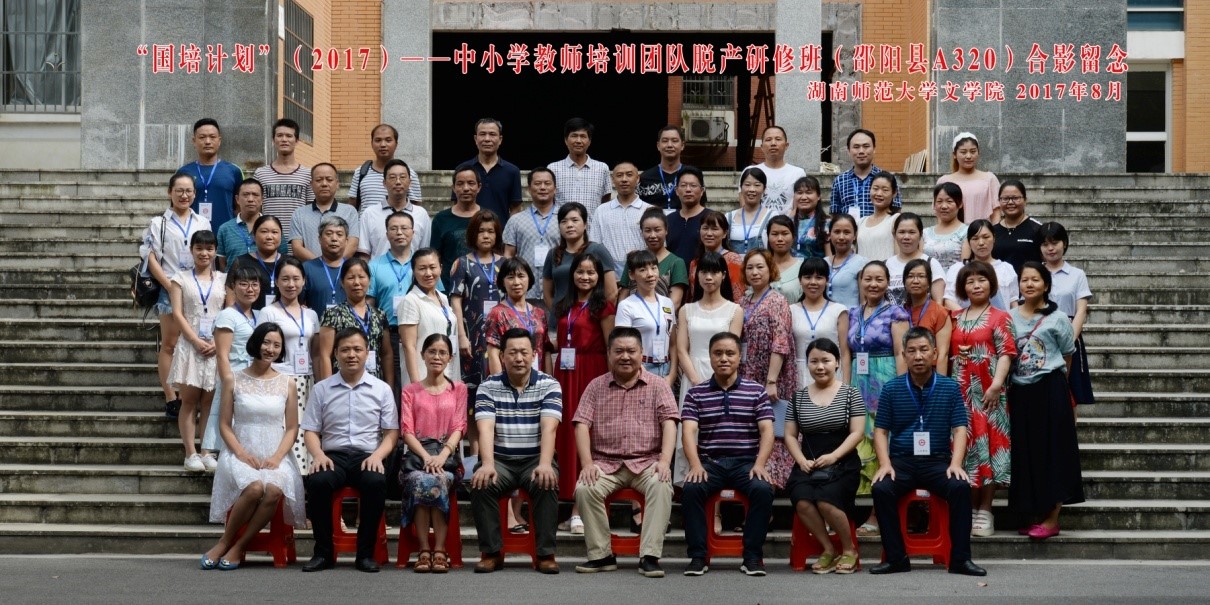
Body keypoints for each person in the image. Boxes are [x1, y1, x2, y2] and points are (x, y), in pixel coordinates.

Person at [868, 327, 986, 577]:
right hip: (902, 462)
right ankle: (896, 558)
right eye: (912, 351)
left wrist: (956, 464)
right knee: (881, 489)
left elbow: (960, 429)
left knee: (960, 487)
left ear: (934, 353)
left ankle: (960, 560)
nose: (918, 356)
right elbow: (880, 431)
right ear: (904, 355)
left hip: (937, 462)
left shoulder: (949, 387)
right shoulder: (891, 389)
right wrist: (885, 464)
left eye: (923, 350)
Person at [573, 327, 680, 578]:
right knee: (585, 489)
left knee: (662, 485)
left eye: (631, 351)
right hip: (605, 463)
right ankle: (601, 555)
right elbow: (581, 424)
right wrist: (587, 464)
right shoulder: (596, 386)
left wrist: (665, 461)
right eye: (618, 351)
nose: (625, 356)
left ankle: (650, 556)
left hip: (647, 462)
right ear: (609, 354)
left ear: (642, 353)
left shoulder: (658, 385)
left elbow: (670, 423)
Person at [202, 322, 304, 570]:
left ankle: (239, 546)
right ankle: (224, 542)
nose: (270, 349)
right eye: (266, 342)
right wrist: (241, 453)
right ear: (256, 342)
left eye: (277, 345)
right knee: (255, 487)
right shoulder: (232, 379)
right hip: (239, 452)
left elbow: (292, 427)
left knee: (273, 489)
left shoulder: (288, 383)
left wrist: (277, 457)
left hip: (275, 454)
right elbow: (224, 424)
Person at [301, 328, 399, 573]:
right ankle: (323, 553)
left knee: (375, 482)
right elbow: (310, 431)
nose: (351, 355)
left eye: (357, 349)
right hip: (332, 456)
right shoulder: (322, 389)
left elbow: (391, 433)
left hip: (367, 456)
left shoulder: (381, 389)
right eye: (345, 350)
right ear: (335, 354)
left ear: (367, 353)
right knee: (318, 482)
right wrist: (318, 455)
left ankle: (365, 554)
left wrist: (378, 456)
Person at [680, 332, 776, 577]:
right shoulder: (696, 393)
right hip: (711, 464)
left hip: (746, 464)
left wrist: (760, 464)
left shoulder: (756, 391)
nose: (724, 358)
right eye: (718, 353)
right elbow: (688, 432)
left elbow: (767, 431)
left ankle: (752, 557)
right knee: (690, 489)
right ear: (710, 357)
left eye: (730, 353)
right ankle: (698, 556)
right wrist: (695, 465)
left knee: (763, 489)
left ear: (739, 357)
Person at [470, 328, 563, 574]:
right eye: (512, 353)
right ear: (502, 356)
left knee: (547, 480)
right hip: (500, 460)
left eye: (524, 352)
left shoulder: (549, 384)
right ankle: (491, 553)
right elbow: (486, 429)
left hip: (535, 458)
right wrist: (487, 464)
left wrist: (545, 464)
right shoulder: (488, 386)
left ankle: (545, 554)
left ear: (534, 354)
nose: (519, 358)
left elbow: (550, 428)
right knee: (482, 482)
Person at [1009, 262, 1084, 540]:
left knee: (1054, 451)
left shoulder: (1058, 318)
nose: (1029, 284)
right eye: (1024, 280)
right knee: (1027, 452)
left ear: (1046, 285)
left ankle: (1052, 519)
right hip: (1020, 391)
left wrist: (1060, 388)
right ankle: (1033, 513)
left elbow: (1067, 355)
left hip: (1051, 389)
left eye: (1035, 280)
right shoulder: (1009, 317)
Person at [783, 338, 865, 575]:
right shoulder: (798, 397)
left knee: (825, 499)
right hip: (808, 463)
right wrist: (801, 460)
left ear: (837, 362)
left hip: (843, 462)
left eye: (826, 361)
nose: (820, 366)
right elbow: (790, 435)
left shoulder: (850, 393)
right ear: (807, 364)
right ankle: (828, 549)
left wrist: (834, 456)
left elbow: (857, 433)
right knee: (802, 499)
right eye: (814, 361)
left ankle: (849, 550)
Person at [839, 260, 908, 534]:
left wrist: (901, 388)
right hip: (859, 381)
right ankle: (854, 511)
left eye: (879, 279)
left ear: (887, 282)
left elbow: (901, 352)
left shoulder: (896, 313)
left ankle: (878, 514)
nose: (873, 284)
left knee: (883, 442)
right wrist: (845, 388)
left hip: (886, 379)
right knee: (859, 443)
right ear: (860, 282)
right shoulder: (852, 313)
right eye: (868, 279)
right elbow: (846, 354)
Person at [949, 260, 1017, 537]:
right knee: (965, 448)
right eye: (970, 281)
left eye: (981, 280)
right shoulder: (954, 317)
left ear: (991, 284)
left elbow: (1006, 352)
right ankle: (968, 507)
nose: (976, 286)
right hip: (960, 392)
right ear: (962, 287)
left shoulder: (1001, 317)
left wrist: (997, 385)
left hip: (989, 392)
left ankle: (986, 509)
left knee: (989, 445)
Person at [552, 252, 617, 531]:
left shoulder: (604, 307)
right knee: (565, 435)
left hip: (592, 372)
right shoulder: (564, 304)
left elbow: (611, 347)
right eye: (580, 271)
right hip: (565, 374)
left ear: (599, 276)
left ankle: (582, 508)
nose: (585, 277)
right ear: (572, 274)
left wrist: (610, 384)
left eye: (591, 272)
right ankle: (569, 501)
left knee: (587, 435)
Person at [141, 173, 212, 417]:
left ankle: (190, 395)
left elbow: (208, 253)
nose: (184, 195)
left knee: (194, 343)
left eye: (188, 191)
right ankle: (171, 397)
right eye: (179, 190)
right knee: (170, 344)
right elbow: (150, 257)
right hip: (169, 287)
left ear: (194, 194)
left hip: (197, 289)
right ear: (169, 192)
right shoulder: (158, 223)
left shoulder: (202, 222)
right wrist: (169, 286)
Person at [399, 333, 467, 573]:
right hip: (417, 460)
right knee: (421, 480)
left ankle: (439, 549)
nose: (437, 357)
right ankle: (424, 549)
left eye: (442, 353)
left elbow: (459, 426)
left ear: (450, 358)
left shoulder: (458, 389)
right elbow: (406, 430)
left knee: (436, 479)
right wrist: (427, 458)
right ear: (423, 355)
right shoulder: (410, 391)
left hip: (447, 460)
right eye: (432, 352)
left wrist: (442, 456)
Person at [737, 249, 796, 490]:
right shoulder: (742, 302)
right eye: (750, 267)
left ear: (770, 270)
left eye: (760, 267)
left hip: (772, 376)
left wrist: (771, 381)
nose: (755, 272)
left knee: (773, 428)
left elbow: (781, 342)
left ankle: (769, 489)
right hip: (746, 374)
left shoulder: (777, 300)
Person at [169, 229, 225, 473]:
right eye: (199, 248)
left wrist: (217, 342)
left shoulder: (223, 279)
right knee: (189, 401)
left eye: (209, 248)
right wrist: (194, 340)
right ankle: (190, 453)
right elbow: (177, 313)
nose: (204, 253)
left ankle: (207, 451)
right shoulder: (179, 278)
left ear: (215, 251)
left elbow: (229, 312)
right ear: (191, 250)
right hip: (190, 345)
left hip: (216, 346)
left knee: (211, 402)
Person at [260, 257, 320, 473]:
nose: (291, 284)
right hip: (280, 378)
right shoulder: (269, 312)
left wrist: (320, 383)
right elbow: (262, 350)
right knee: (284, 430)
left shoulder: (311, 314)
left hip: (307, 380)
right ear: (276, 282)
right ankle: (283, 475)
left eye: (296, 278)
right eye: (285, 279)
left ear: (304, 281)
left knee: (306, 431)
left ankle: (304, 477)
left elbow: (316, 352)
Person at [202, 265, 263, 458]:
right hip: (235, 375)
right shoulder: (227, 315)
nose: (250, 289)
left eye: (254, 284)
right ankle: (215, 456)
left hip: (254, 376)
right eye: (243, 284)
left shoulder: (259, 314)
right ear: (233, 287)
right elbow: (222, 355)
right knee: (228, 422)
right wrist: (229, 384)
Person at [315, 258, 395, 394]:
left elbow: (386, 354)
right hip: (342, 386)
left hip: (375, 386)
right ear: (342, 282)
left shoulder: (380, 315)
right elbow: (325, 355)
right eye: (351, 278)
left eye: (361, 277)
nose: (356, 282)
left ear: (369, 281)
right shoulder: (333, 314)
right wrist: (328, 391)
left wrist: (390, 388)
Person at [1039, 222, 1095, 405]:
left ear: (1064, 243)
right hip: (1040, 337)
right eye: (1045, 244)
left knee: (1070, 395)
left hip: (1070, 333)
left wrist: (1069, 340)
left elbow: (1081, 310)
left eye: (1054, 243)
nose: (1050, 248)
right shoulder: (1035, 273)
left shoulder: (1077, 274)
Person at [450, 210, 505, 394]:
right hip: (471, 335)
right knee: (472, 388)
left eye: (491, 231)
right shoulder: (462, 263)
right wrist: (461, 336)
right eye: (481, 231)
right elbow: (456, 301)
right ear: (473, 234)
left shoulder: (505, 264)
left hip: (500, 333)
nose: (486, 235)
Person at [366, 211, 418, 402]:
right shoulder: (374, 266)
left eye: (404, 228)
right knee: (392, 384)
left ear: (413, 232)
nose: (399, 233)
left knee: (417, 381)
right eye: (394, 229)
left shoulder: (422, 263)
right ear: (387, 234)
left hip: (418, 333)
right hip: (389, 333)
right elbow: (369, 303)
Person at [542, 202, 619, 323]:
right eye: (564, 221)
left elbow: (612, 293)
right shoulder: (553, 253)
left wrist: (597, 317)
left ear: (585, 224)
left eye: (575, 220)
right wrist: (559, 316)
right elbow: (547, 294)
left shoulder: (597, 250)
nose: (569, 225)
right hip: (559, 322)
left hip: (589, 323)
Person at [399, 248, 461, 386]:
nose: (428, 273)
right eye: (422, 268)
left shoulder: (443, 298)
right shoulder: (410, 301)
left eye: (432, 267)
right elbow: (409, 346)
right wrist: (416, 386)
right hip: (423, 378)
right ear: (414, 271)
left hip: (449, 374)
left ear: (441, 268)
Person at [615, 250, 678, 385]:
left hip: (665, 368)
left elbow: (673, 343)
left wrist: (672, 374)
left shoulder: (667, 303)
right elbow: (623, 345)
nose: (650, 274)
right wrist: (642, 372)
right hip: (640, 369)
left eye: (654, 268)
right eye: (643, 270)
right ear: (632, 275)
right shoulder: (626, 306)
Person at [253, 118, 314, 250]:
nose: (284, 139)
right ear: (273, 140)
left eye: (289, 136)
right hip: (268, 244)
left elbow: (311, 212)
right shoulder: (261, 174)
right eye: (280, 135)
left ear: (297, 141)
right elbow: (256, 210)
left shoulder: (308, 174)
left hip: (298, 246)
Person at [503, 167, 561, 306]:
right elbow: (508, 254)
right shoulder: (516, 220)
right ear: (529, 189)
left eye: (547, 183)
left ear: (555, 189)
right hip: (524, 293)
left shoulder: (565, 219)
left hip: (557, 293)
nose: (542, 187)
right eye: (537, 183)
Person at [483, 257, 548, 378]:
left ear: (529, 279)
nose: (516, 282)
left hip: (537, 380)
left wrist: (549, 381)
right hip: (509, 380)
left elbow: (546, 351)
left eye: (521, 276)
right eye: (510, 277)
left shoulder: (540, 313)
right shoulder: (497, 313)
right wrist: (499, 386)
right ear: (503, 281)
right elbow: (493, 354)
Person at [358, 158, 431, 258]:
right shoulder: (369, 213)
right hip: (378, 268)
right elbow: (364, 254)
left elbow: (424, 253)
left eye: (402, 177)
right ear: (384, 183)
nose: (398, 182)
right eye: (392, 177)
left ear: (410, 182)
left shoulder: (421, 214)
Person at [618, 208, 689, 310]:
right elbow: (623, 294)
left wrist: (653, 316)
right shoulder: (633, 259)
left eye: (657, 230)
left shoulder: (676, 262)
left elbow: (675, 302)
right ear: (641, 232)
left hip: (663, 317)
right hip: (632, 316)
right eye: (647, 230)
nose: (652, 235)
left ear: (666, 230)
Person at [453, 117, 522, 220]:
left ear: (500, 139)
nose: (487, 139)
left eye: (492, 134)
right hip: (468, 229)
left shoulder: (512, 171)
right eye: (482, 134)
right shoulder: (462, 169)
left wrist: (510, 229)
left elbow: (515, 208)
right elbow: (457, 204)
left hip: (501, 229)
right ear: (476, 139)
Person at [792, 258, 849, 382]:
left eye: (819, 278)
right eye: (807, 277)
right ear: (800, 280)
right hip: (799, 376)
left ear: (827, 280)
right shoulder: (790, 311)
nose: (813, 282)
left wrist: (845, 385)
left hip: (831, 375)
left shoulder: (839, 310)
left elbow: (845, 353)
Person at [181, 118, 244, 228]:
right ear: (194, 141)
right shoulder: (183, 172)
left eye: (212, 137)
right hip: (192, 233)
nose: (207, 141)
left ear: (219, 141)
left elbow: (240, 206)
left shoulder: (234, 171)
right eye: (202, 137)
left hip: (225, 233)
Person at [943, 220, 1019, 311]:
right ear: (969, 242)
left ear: (994, 238)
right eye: (975, 239)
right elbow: (949, 300)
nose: (981, 243)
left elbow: (1013, 303)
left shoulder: (1006, 268)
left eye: (986, 237)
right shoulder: (957, 269)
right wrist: (967, 318)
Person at [590, 161, 651, 275]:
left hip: (643, 271)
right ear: (612, 180)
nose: (624, 179)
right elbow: (594, 246)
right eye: (619, 175)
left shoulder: (649, 210)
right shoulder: (601, 211)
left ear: (637, 179)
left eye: (629, 175)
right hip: (609, 272)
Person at [347, 123, 424, 214]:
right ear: (372, 144)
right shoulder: (361, 172)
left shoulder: (408, 174)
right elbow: (352, 207)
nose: (383, 144)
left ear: (396, 144)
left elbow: (416, 208)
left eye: (388, 140)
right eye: (378, 140)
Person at [289, 163, 360, 261]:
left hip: (341, 268)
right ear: (311, 184)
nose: (324, 184)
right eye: (319, 180)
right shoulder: (299, 214)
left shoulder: (350, 212)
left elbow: (353, 244)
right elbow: (297, 248)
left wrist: (335, 265)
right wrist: (319, 266)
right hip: (309, 268)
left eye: (329, 179)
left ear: (337, 183)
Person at [829, 128, 901, 217]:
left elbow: (896, 211)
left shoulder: (887, 179)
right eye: (856, 147)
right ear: (848, 151)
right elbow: (835, 214)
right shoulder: (840, 181)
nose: (861, 151)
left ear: (874, 149)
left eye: (866, 146)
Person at [432, 168, 482, 291]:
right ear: (453, 188)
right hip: (449, 286)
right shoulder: (441, 219)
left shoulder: (487, 217)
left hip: (482, 285)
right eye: (460, 184)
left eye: (471, 183)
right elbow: (435, 256)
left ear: (479, 187)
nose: (466, 188)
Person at [548, 117, 612, 213]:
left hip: (593, 223)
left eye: (583, 136)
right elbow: (549, 201)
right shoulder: (553, 169)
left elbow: (606, 202)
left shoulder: (602, 168)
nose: (578, 140)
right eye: (574, 136)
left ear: (589, 141)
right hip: (562, 223)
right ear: (566, 140)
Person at [741, 125, 807, 217]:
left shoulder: (798, 173)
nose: (773, 143)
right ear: (762, 146)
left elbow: (798, 207)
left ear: (786, 145)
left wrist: (786, 222)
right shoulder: (750, 171)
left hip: (787, 224)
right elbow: (744, 204)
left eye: (778, 139)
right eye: (768, 140)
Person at [936, 132, 1001, 224]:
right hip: (954, 232)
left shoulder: (989, 179)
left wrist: (993, 232)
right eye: (963, 152)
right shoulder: (944, 181)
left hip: (982, 231)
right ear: (954, 154)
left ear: (978, 153)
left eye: (973, 151)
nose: (968, 156)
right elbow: (940, 214)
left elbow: (996, 213)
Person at [884, 213, 945, 306]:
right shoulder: (886, 265)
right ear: (894, 234)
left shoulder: (931, 263)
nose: (906, 237)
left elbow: (938, 303)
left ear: (920, 234)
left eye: (912, 232)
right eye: (901, 232)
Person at [224, 215, 284, 310]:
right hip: (248, 318)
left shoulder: (289, 264)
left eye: (274, 232)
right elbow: (230, 303)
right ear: (254, 235)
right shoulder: (240, 262)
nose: (269, 237)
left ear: (281, 236)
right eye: (264, 231)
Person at [903, 259, 952, 375]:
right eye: (910, 276)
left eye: (921, 276)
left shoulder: (940, 312)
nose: (915, 281)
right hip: (905, 374)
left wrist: (939, 384)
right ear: (904, 282)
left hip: (931, 375)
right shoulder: (900, 312)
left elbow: (942, 355)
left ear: (929, 282)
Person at [689, 210, 745, 303]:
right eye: (705, 228)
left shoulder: (733, 260)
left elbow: (738, 296)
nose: (709, 233)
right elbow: (693, 295)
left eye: (714, 229)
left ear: (725, 233)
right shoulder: (694, 263)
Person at [300, 216, 352, 313]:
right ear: (320, 239)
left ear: (346, 241)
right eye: (329, 234)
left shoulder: (353, 268)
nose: (334, 238)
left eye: (339, 234)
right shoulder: (307, 268)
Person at [991, 180, 1043, 274]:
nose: (1010, 202)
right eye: (1005, 198)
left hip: (1028, 281)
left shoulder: (1037, 229)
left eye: (1015, 198)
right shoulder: (992, 231)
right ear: (999, 201)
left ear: (1025, 200)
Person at [215, 178, 264, 270]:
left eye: (255, 195)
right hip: (232, 279)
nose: (250, 199)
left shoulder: (272, 228)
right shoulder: (225, 229)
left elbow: (280, 258)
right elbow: (222, 264)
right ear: (237, 199)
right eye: (246, 195)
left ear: (262, 199)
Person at [638, 125, 687, 211]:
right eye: (665, 141)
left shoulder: (692, 176)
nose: (669, 145)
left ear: (682, 145)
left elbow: (700, 208)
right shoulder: (645, 177)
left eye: (674, 141)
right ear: (658, 146)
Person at [923, 182, 969, 273]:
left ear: (960, 204)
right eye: (939, 201)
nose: (944, 206)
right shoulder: (925, 233)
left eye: (949, 201)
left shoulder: (967, 232)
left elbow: (965, 268)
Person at [665, 165, 708, 263]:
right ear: (676, 190)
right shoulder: (668, 220)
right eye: (683, 185)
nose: (688, 189)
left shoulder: (711, 219)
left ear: (702, 191)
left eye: (693, 185)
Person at [854, 171, 899, 263]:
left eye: (885, 190)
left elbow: (899, 257)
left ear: (894, 193)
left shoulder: (896, 220)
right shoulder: (861, 222)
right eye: (875, 188)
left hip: (886, 271)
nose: (879, 193)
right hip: (863, 271)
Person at [727, 167, 773, 254]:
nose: (752, 189)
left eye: (757, 185)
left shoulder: (772, 216)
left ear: (764, 189)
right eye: (747, 185)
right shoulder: (729, 217)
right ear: (741, 188)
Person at [824, 213, 866, 309]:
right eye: (837, 232)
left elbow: (864, 302)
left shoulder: (861, 263)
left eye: (846, 232)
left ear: (855, 235)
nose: (841, 237)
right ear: (830, 234)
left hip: (851, 316)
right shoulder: (824, 263)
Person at [791, 176, 830, 259]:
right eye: (799, 193)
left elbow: (829, 256)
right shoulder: (789, 222)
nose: (803, 197)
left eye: (809, 193)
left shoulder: (826, 223)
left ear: (818, 196)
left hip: (817, 266)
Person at [767, 215, 804, 303]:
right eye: (775, 234)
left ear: (793, 237)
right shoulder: (761, 266)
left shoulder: (802, 267)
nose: (780, 239)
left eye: (785, 233)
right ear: (768, 237)